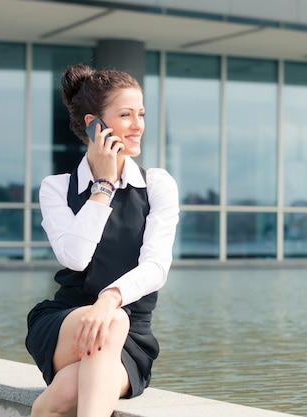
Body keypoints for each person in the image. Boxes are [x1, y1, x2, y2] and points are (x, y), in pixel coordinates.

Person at [25, 63, 179, 417]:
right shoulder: (58, 188)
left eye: (141, 113)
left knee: (64, 394)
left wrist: (110, 299)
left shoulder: (157, 185)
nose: (138, 125)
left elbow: (156, 266)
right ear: (95, 123)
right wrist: (103, 188)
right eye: (125, 114)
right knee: (112, 322)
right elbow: (75, 258)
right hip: (66, 322)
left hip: (131, 335)